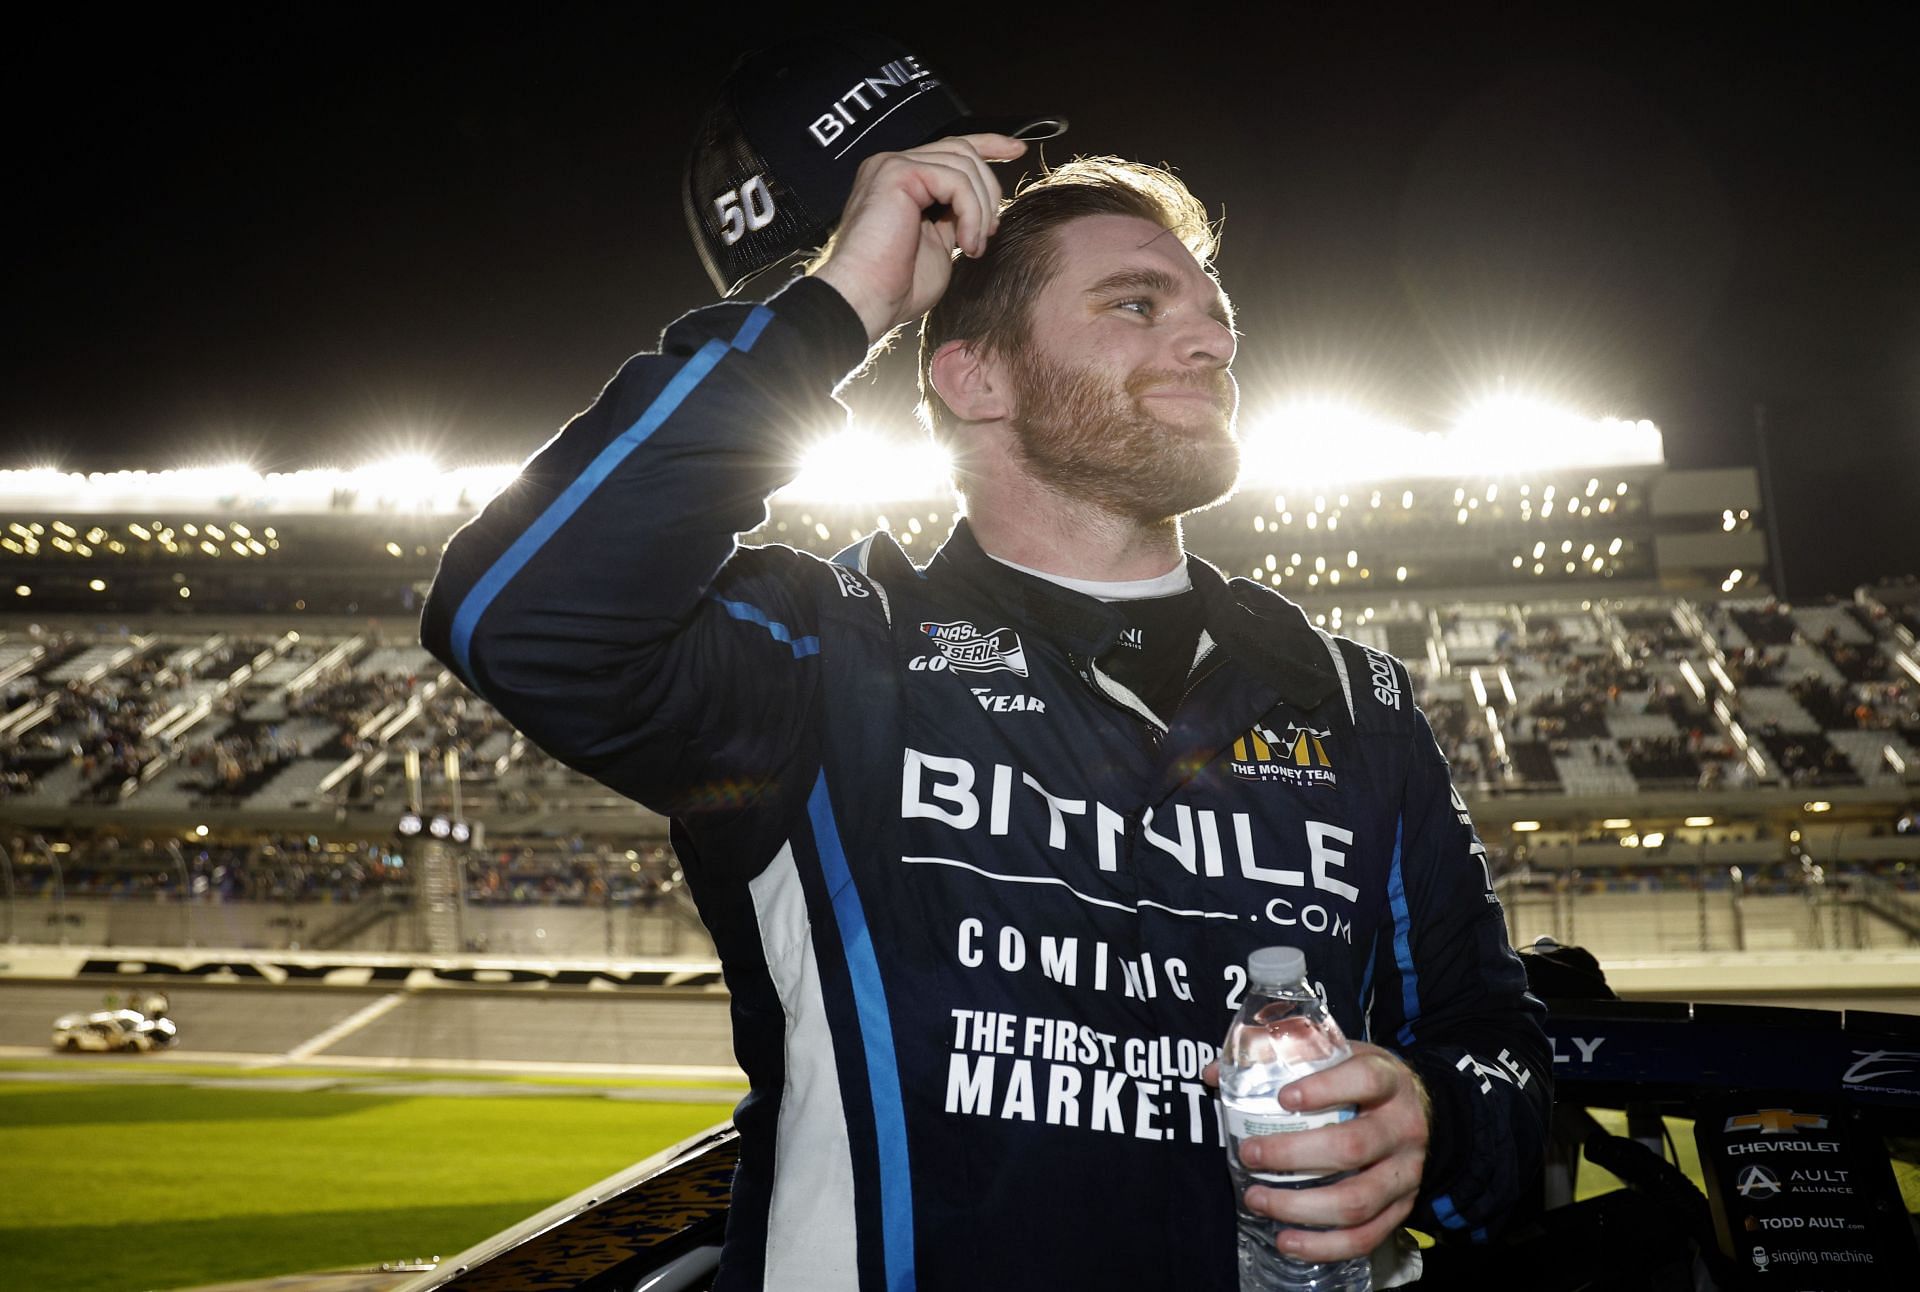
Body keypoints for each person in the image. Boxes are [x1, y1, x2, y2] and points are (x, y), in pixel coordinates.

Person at [423, 106, 1548, 1292]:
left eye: (1215, 314)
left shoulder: (1349, 695)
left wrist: (1434, 1117)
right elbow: (517, 611)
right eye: (1136, 305)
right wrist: (840, 302)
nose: (1213, 341)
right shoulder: (828, 652)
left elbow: (1501, 1052)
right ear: (975, 375)